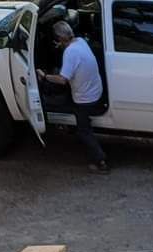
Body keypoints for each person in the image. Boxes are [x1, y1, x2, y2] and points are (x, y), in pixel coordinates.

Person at [40, 21, 109, 173]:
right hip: (96, 90)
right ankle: (68, 127)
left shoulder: (70, 53)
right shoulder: (80, 41)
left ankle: (100, 161)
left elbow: (62, 80)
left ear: (60, 39)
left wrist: (45, 76)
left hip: (85, 99)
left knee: (84, 131)